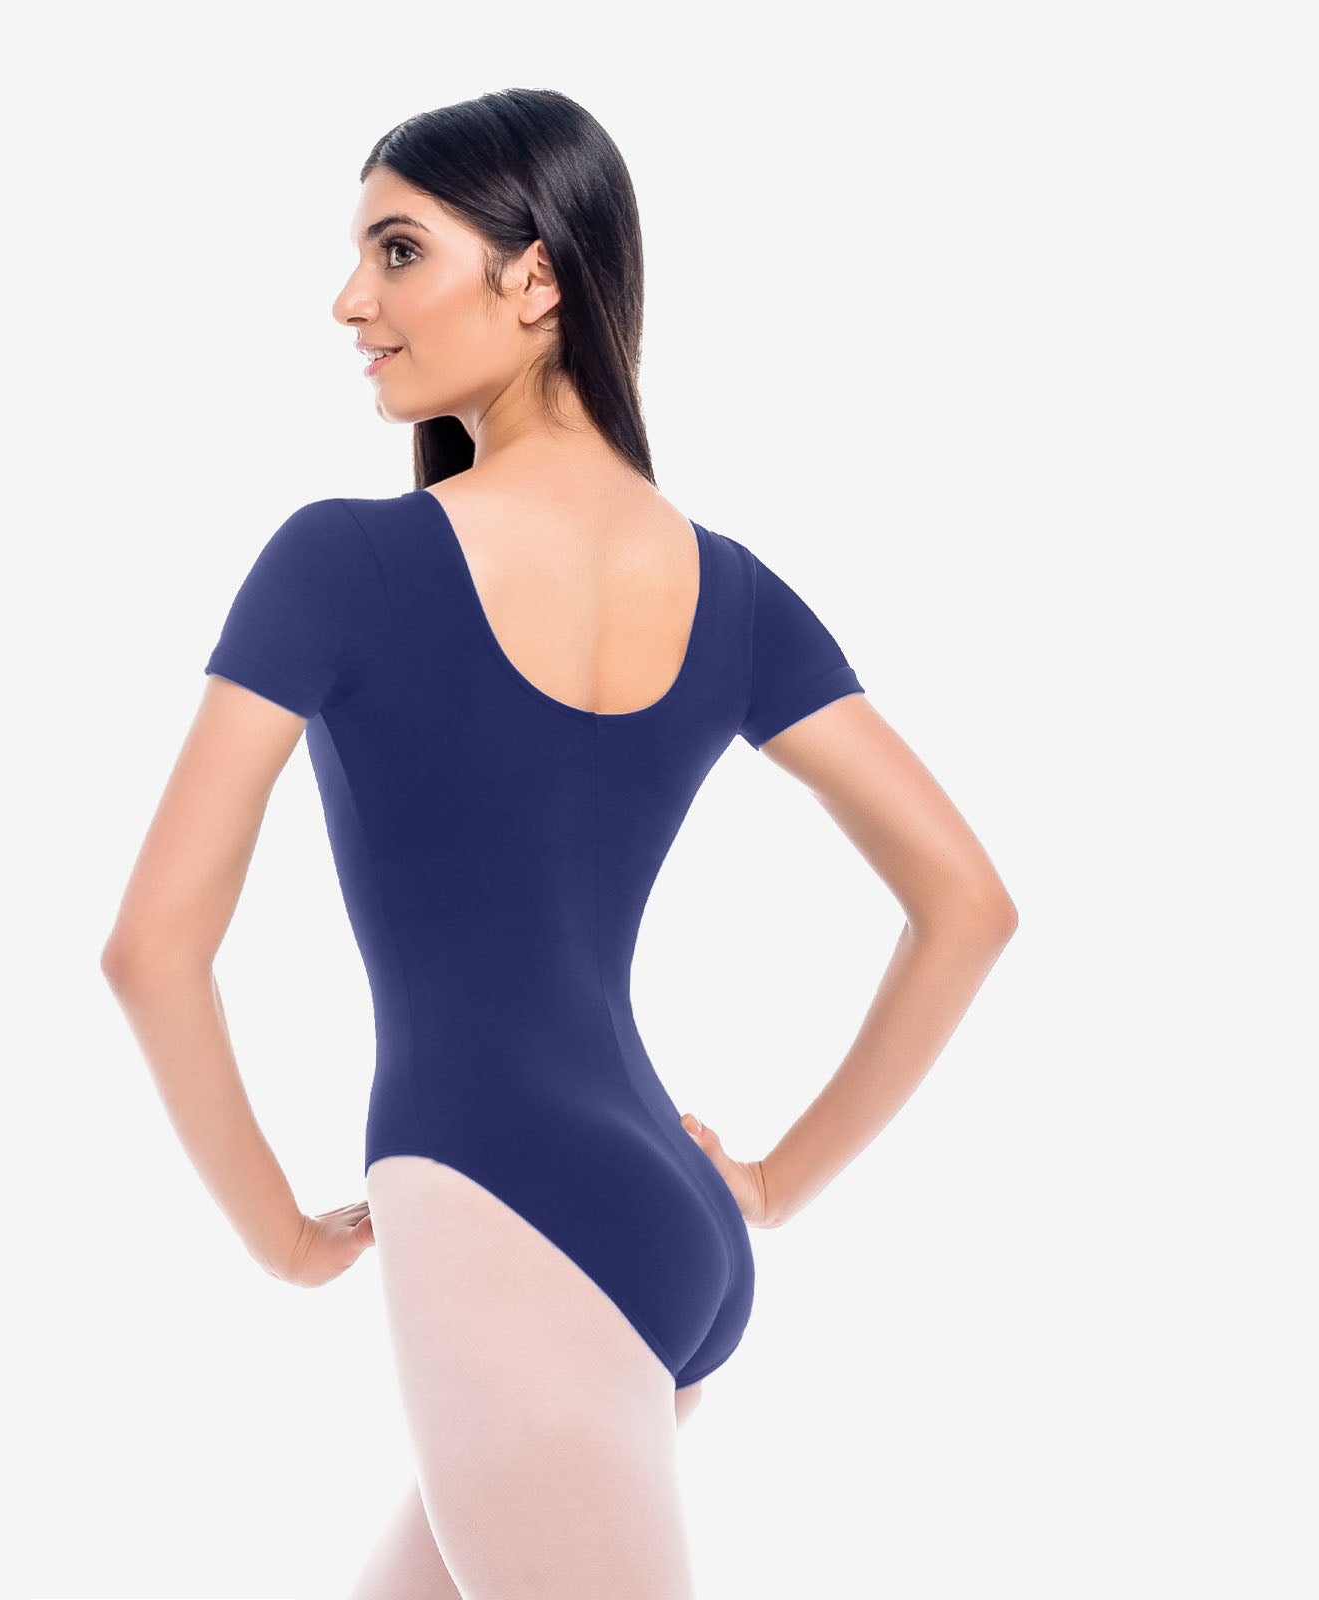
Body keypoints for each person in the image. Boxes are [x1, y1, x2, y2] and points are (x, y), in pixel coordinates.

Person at [102, 88, 1017, 1600]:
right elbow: (966, 902)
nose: (351, 300)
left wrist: (280, 1235)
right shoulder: (730, 590)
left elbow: (152, 947)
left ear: (536, 278)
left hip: (495, 1203)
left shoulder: (342, 563)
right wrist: (767, 1187)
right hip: (663, 1220)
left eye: (399, 250)